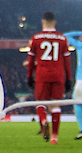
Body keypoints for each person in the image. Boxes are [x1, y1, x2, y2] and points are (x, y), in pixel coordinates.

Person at [27, 12, 73, 145]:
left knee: (40, 103)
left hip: (42, 75)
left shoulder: (36, 38)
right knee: (56, 105)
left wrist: (30, 76)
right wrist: (68, 79)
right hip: (58, 75)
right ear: (55, 22)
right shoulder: (62, 38)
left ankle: (43, 121)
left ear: (43, 22)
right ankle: (54, 136)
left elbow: (31, 61)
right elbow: (67, 61)